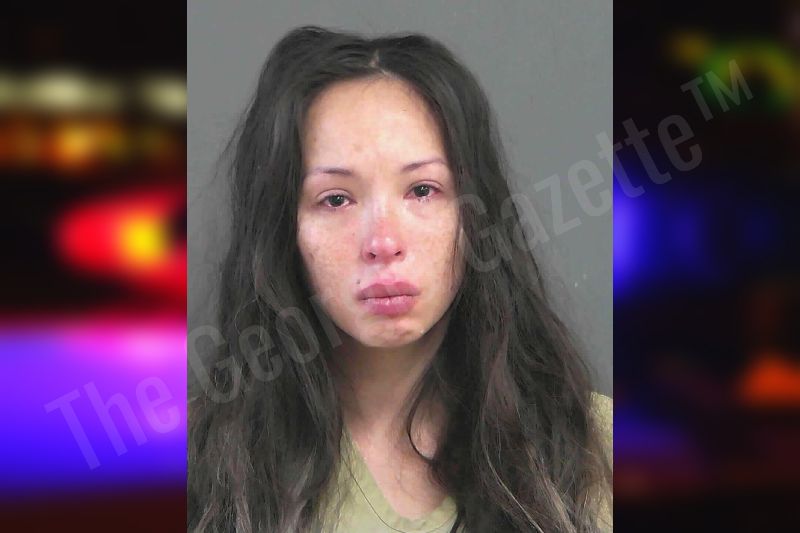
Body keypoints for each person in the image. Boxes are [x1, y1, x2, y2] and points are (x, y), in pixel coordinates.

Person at [188, 25, 612, 533]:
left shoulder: (599, 449)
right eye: (336, 199)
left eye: (423, 190)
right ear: (283, 229)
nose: (383, 241)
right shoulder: (193, 465)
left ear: (475, 217)